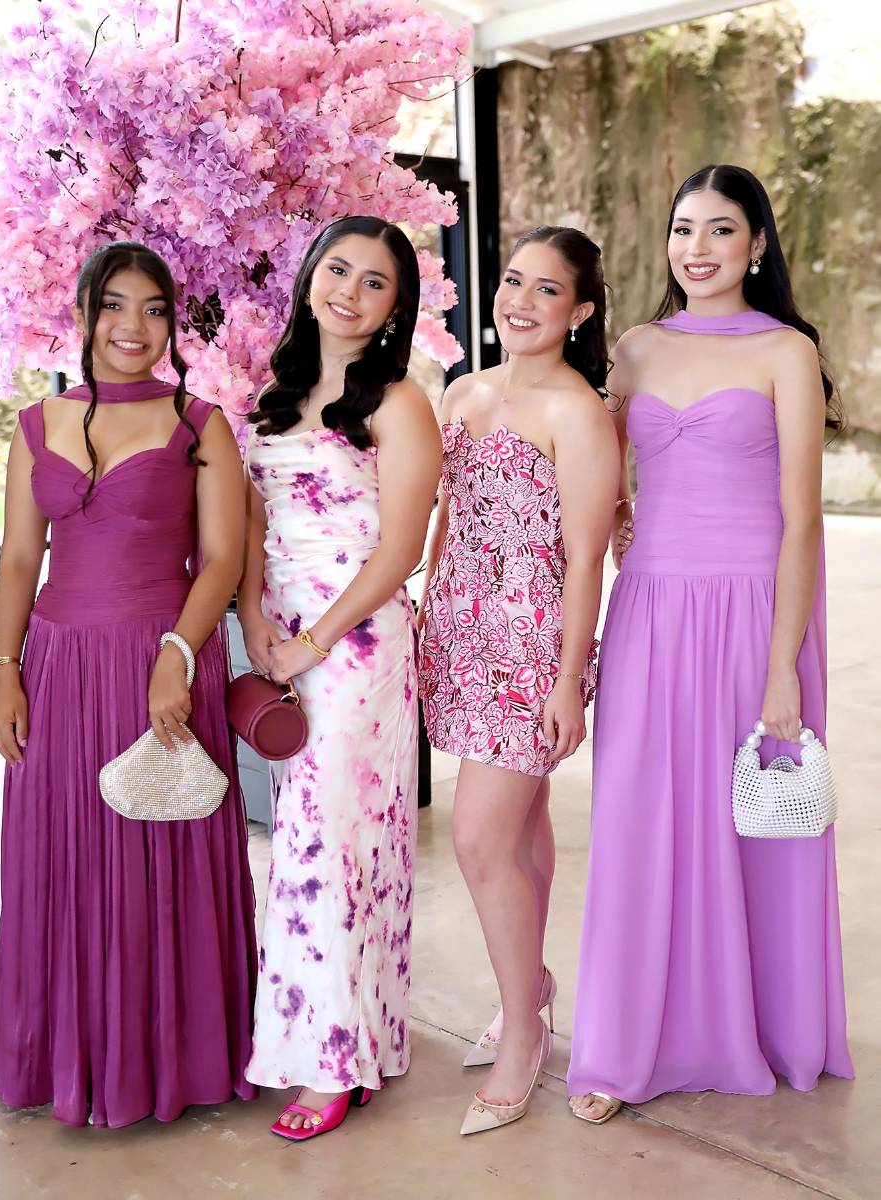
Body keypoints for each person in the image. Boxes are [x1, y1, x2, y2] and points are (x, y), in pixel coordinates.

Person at [568, 165, 854, 1125]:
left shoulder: (786, 352)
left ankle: (768, 1029)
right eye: (682, 228)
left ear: (757, 246)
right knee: (640, 819)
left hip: (753, 610)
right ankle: (621, 1047)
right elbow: (600, 475)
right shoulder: (636, 348)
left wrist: (783, 668)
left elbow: (802, 521)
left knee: (754, 820)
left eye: (720, 230)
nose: (696, 248)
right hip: (648, 606)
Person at [0, 241, 258, 1127]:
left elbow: (222, 557)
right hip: (61, 669)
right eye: (114, 306)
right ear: (84, 315)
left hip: (161, 658)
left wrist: (178, 654)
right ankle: (66, 1056)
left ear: (171, 325)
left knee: (162, 852)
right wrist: (5, 675)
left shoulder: (198, 421)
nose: (132, 326)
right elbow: (21, 557)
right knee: (62, 855)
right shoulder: (39, 424)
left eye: (152, 309)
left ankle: (172, 1062)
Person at [240, 216, 441, 1140]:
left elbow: (400, 550)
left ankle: (330, 1064)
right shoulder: (271, 396)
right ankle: (351, 1038)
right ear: (309, 277)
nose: (349, 291)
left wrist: (310, 643)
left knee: (331, 845)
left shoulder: (398, 402)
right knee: (309, 848)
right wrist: (253, 624)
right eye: (337, 269)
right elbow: (248, 524)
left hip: (354, 646)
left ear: (395, 308)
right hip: (279, 641)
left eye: (375, 282)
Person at [418, 226, 618, 1135]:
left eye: (547, 290)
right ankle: (527, 984)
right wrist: (425, 603)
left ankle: (524, 1035)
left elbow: (585, 560)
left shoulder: (577, 412)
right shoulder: (465, 390)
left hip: (531, 646)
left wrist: (569, 678)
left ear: (578, 312)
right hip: (458, 630)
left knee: (476, 838)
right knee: (520, 831)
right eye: (511, 281)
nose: (520, 301)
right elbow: (447, 512)